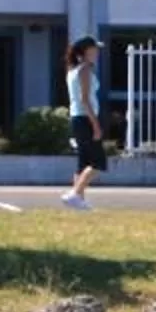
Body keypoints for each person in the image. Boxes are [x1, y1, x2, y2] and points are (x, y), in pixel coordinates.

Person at [62, 38, 104, 210]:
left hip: (77, 118)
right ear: (86, 51)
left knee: (83, 161)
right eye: (94, 49)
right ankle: (75, 194)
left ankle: (78, 200)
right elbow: (85, 100)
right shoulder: (85, 70)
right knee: (98, 162)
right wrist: (96, 125)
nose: (97, 53)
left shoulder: (72, 71)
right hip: (85, 118)